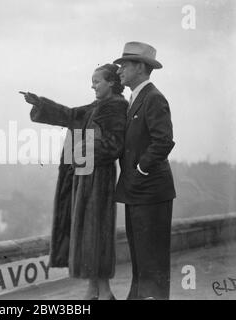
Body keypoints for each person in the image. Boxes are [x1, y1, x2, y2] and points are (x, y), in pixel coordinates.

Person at [21, 64, 128, 300]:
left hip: (98, 180)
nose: (92, 85)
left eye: (97, 81)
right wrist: (40, 103)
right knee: (88, 233)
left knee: (95, 232)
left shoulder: (116, 108)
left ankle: (104, 292)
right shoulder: (98, 106)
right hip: (85, 177)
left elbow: (114, 145)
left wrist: (85, 149)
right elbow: (69, 115)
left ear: (111, 82)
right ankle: (94, 289)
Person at [113, 42, 176, 300]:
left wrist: (139, 169)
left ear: (140, 67)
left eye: (124, 65)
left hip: (150, 192)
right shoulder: (135, 98)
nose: (119, 71)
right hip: (136, 192)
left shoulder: (153, 97)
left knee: (151, 260)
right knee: (141, 258)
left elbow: (164, 140)